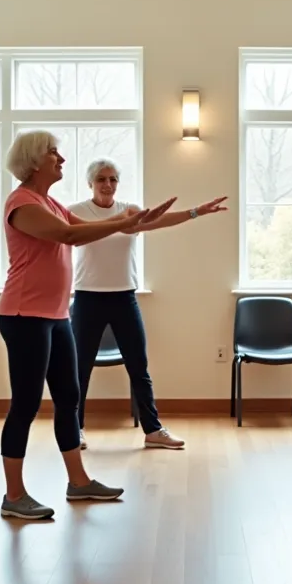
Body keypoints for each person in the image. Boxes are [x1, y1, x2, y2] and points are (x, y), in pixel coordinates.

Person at [0, 130, 177, 522]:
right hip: (23, 315)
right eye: (53, 153)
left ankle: (78, 482)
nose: (61, 159)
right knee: (25, 404)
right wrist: (122, 222)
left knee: (69, 397)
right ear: (34, 161)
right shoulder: (22, 203)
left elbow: (89, 230)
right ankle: (14, 495)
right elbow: (70, 235)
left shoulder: (50, 203)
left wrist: (136, 221)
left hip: (56, 315)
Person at [66, 157, 228, 451]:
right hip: (87, 296)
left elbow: (159, 221)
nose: (107, 184)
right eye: (101, 179)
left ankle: (153, 430)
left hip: (124, 296)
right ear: (90, 183)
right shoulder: (76, 211)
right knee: (80, 368)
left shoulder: (129, 210)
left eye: (113, 179)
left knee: (138, 366)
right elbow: (70, 239)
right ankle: (74, 429)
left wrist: (195, 212)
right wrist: (123, 223)